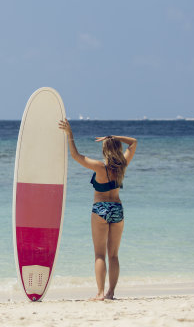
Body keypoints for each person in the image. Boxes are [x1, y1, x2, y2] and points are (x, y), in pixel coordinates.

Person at [58, 119, 137, 300]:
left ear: (104, 149)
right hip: (117, 209)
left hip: (101, 209)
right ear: (117, 148)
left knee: (99, 254)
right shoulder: (122, 165)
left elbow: (76, 156)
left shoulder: (100, 166)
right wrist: (113, 137)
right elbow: (133, 142)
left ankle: (100, 293)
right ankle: (111, 293)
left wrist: (70, 134)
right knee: (114, 255)